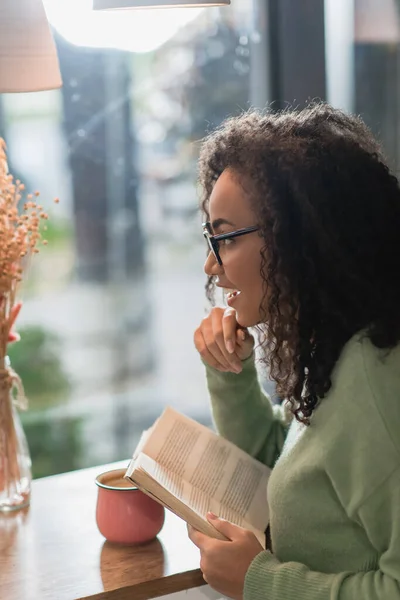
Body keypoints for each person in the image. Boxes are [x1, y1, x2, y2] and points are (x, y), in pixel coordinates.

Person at [188, 103, 400, 600]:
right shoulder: (336, 351)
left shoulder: (371, 378)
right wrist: (229, 372)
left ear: (299, 237)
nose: (211, 266)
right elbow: (286, 475)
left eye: (225, 238)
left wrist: (259, 582)